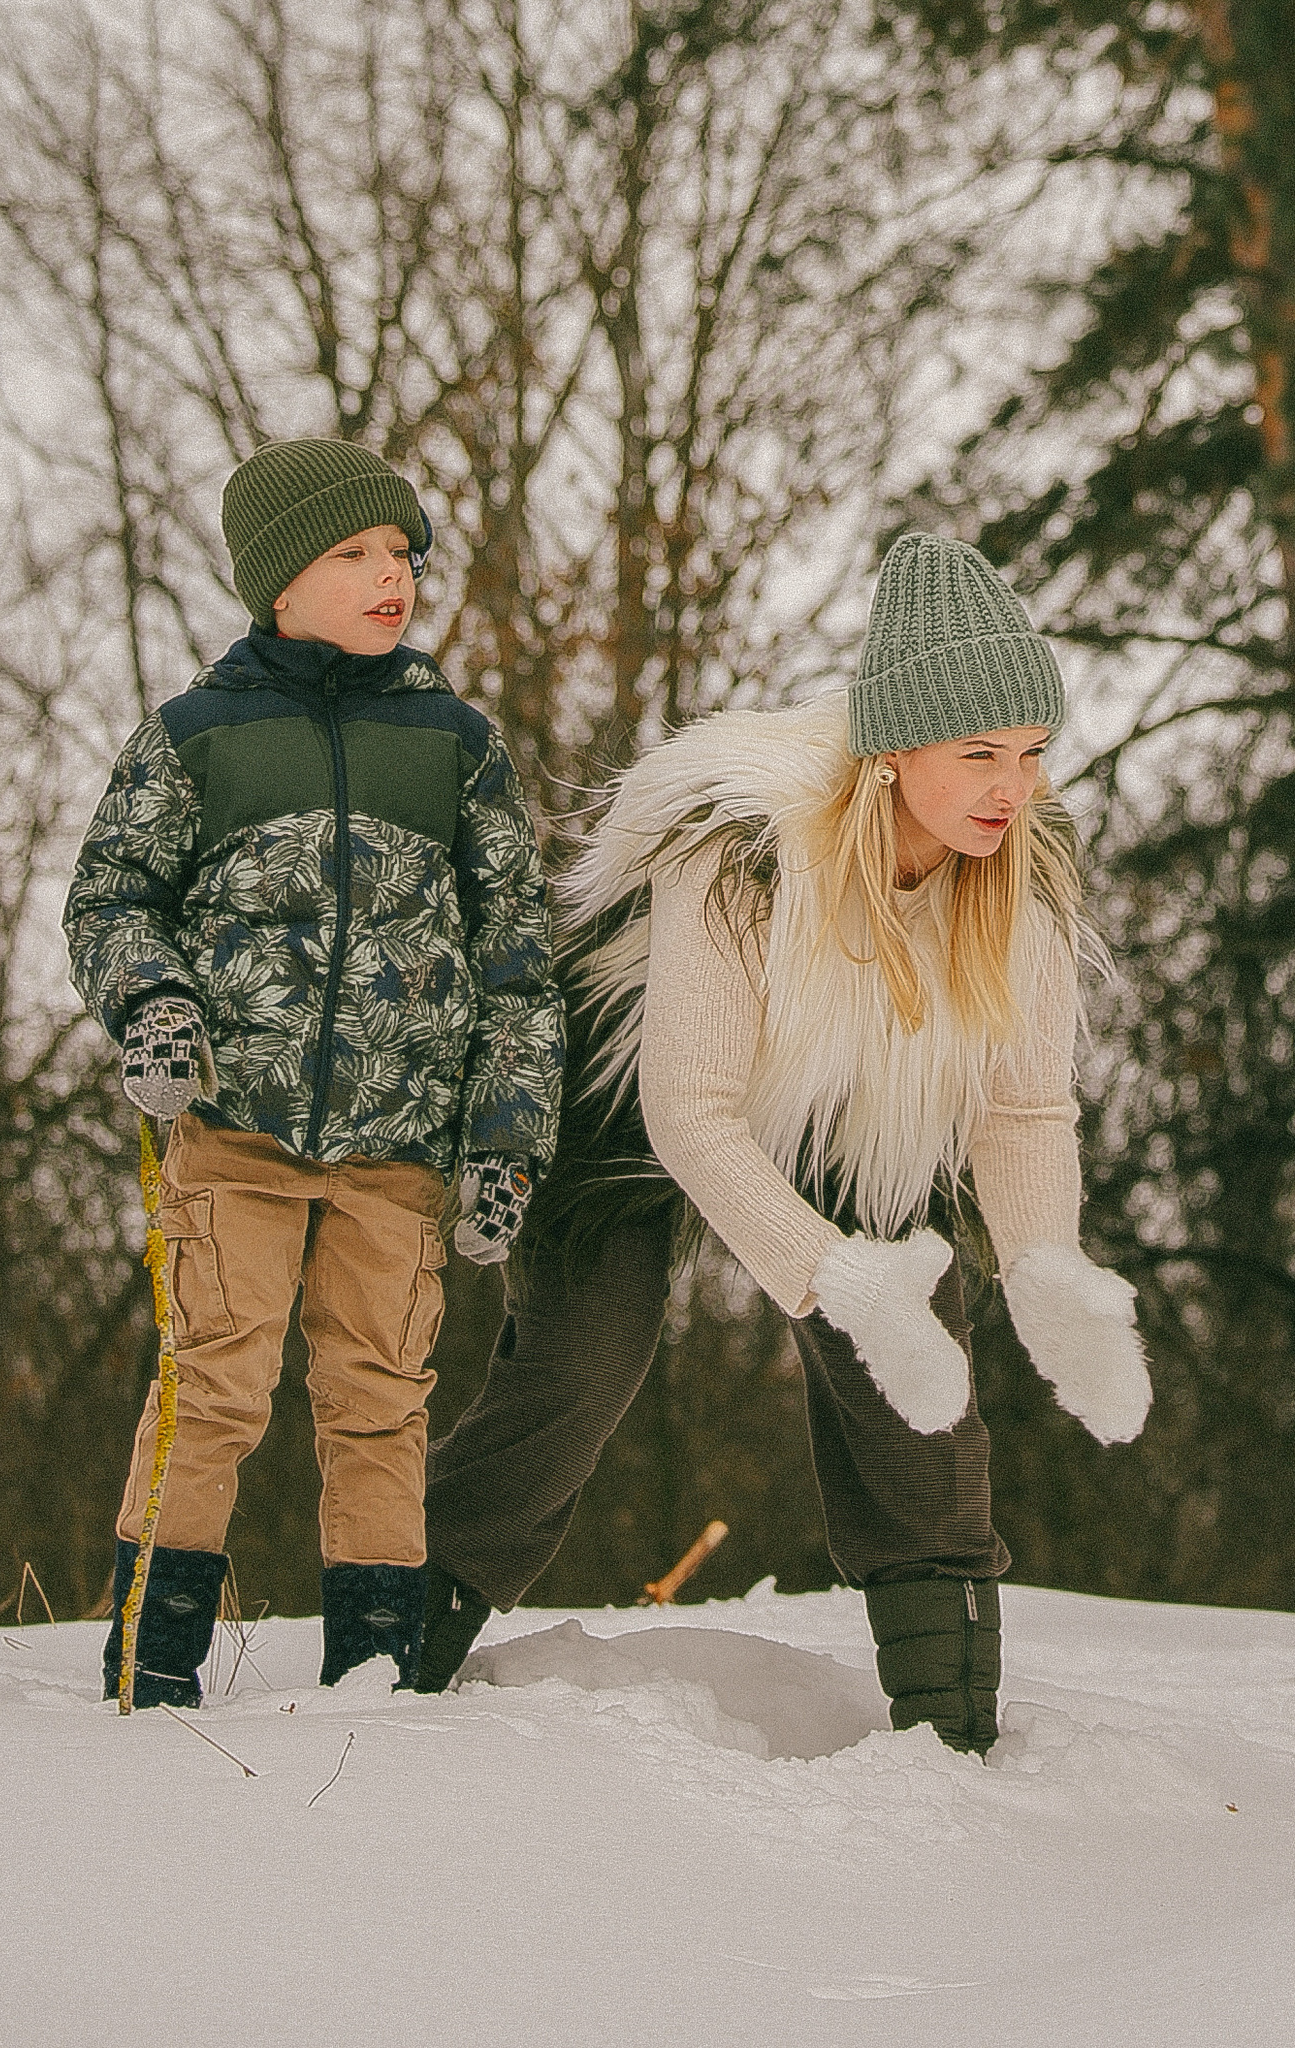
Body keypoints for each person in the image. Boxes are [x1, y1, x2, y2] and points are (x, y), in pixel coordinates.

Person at [410, 531, 1151, 1746]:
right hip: (630, 1102)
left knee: (920, 1393)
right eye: (978, 755)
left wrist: (1049, 1272)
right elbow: (689, 1112)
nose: (1009, 788)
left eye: (1028, 753)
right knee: (581, 1368)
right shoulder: (744, 856)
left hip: (852, 1113)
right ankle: (393, 1645)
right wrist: (832, 1278)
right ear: (892, 752)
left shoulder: (1024, 872)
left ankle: (952, 1730)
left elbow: (1022, 1109)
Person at [65, 439, 563, 1707]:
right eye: (353, 554)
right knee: (216, 1381)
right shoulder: (198, 737)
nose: (389, 575)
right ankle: (152, 1653)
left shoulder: (456, 744)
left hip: (401, 1150)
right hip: (235, 1130)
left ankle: (377, 1666)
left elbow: (514, 953)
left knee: (381, 1402)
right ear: (278, 580)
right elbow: (114, 893)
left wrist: (505, 1134)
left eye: (400, 553)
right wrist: (156, 1007)